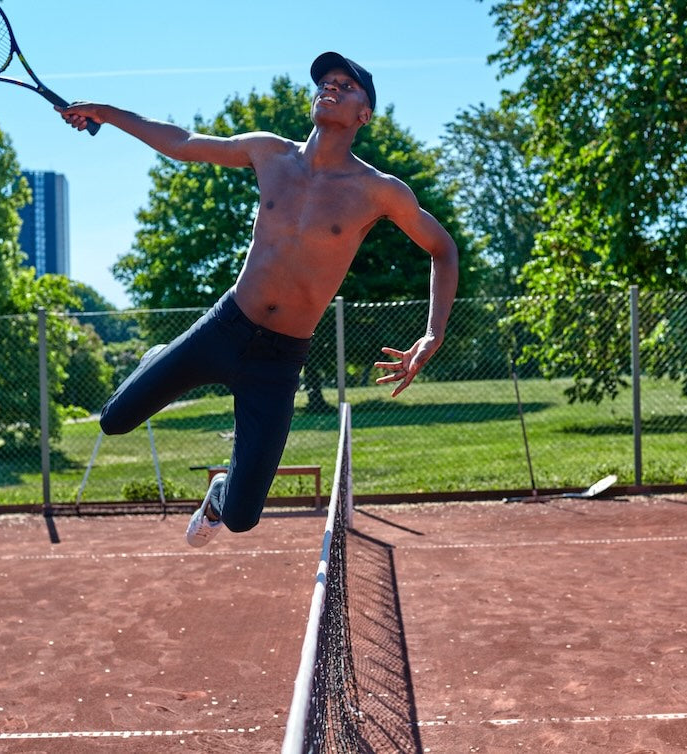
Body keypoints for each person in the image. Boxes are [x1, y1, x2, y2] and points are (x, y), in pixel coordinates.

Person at [59, 52, 458, 546]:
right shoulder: (269, 152)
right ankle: (159, 358)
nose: (331, 87)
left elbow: (443, 248)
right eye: (326, 82)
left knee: (243, 517)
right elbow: (182, 143)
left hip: (278, 360)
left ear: (364, 114)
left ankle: (220, 491)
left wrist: (432, 334)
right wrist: (106, 112)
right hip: (226, 328)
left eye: (347, 86)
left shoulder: (379, 191)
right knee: (113, 421)